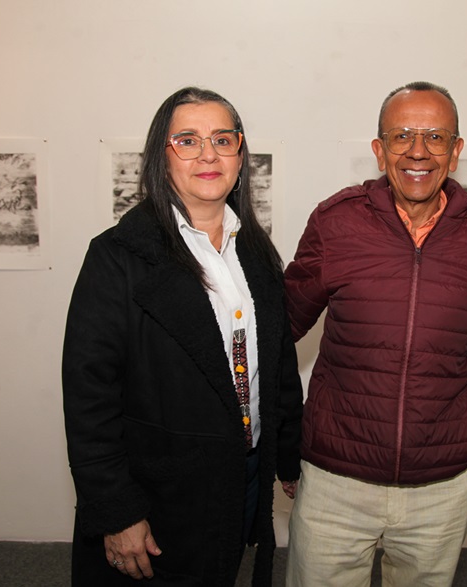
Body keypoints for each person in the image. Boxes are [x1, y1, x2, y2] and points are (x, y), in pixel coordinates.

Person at [62, 87, 302, 586]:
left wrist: (288, 454)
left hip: (242, 475)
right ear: (161, 156)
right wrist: (117, 510)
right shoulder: (117, 257)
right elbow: (89, 399)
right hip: (157, 492)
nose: (208, 154)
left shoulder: (257, 255)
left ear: (240, 152)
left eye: (222, 138)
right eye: (187, 140)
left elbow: (274, 365)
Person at [283, 81, 467, 586]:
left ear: (455, 153)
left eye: (435, 137)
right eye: (402, 135)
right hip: (336, 478)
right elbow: (281, 330)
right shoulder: (334, 223)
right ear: (378, 149)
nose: (417, 151)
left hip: (443, 483)